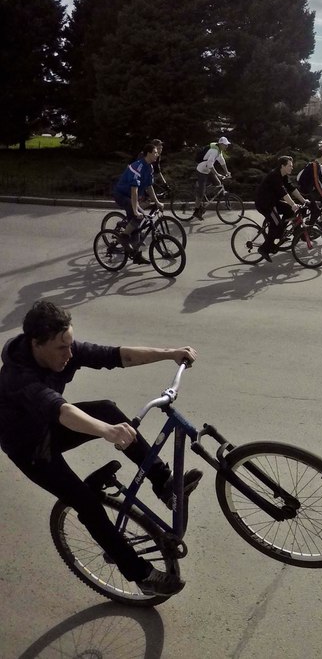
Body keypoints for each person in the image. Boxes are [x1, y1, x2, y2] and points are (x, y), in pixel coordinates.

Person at [0, 300, 200, 597]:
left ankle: (164, 484)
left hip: (50, 423)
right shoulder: (18, 378)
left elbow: (117, 355)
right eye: (62, 348)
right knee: (85, 501)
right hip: (31, 449)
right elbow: (62, 411)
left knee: (107, 409)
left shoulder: (62, 349)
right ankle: (141, 575)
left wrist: (169, 353)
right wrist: (107, 431)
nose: (70, 354)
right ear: (36, 344)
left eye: (70, 345)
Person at [111, 142, 161, 261]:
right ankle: (123, 237)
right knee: (138, 216)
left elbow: (149, 187)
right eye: (155, 152)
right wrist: (135, 210)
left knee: (137, 224)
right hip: (122, 195)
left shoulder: (150, 167)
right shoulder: (137, 167)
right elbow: (134, 191)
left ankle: (136, 254)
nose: (157, 154)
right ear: (148, 153)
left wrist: (157, 202)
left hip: (131, 196)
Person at [253, 156, 307, 260]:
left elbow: (291, 188)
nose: (292, 168)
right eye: (290, 166)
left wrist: (303, 200)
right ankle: (264, 249)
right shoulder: (274, 176)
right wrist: (293, 204)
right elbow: (283, 192)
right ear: (282, 166)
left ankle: (280, 233)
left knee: (289, 211)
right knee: (276, 224)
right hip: (265, 204)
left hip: (273, 202)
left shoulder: (284, 175)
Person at [193, 136, 232, 220]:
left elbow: (222, 162)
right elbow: (210, 165)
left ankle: (204, 192)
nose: (227, 146)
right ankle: (196, 211)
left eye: (227, 145)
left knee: (218, 184)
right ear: (221, 144)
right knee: (201, 192)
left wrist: (227, 172)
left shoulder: (219, 150)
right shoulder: (214, 151)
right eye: (225, 145)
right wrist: (217, 174)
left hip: (208, 170)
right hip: (202, 170)